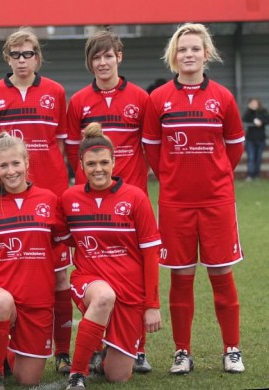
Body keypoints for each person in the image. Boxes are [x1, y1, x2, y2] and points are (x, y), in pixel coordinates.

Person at [143, 23, 246, 375]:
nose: (189, 54)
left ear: (206, 54)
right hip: (175, 203)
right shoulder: (158, 99)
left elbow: (233, 147)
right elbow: (153, 151)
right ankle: (181, 352)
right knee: (180, 276)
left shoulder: (223, 97)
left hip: (216, 201)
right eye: (183, 49)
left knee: (221, 273)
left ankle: (232, 349)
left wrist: (213, 175)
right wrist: (175, 179)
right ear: (174, 55)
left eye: (195, 49)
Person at [0, 27, 73, 376]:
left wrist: (54, 192)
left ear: (38, 57)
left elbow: (61, 146)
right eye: (16, 54)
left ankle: (63, 352)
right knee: (14, 277)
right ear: (7, 57)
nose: (22, 60)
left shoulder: (56, 92)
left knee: (60, 279)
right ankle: (4, 349)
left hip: (49, 199)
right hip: (11, 202)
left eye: (28, 53)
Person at [65, 30, 152, 372]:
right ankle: (100, 343)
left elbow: (151, 146)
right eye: (96, 58)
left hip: (132, 200)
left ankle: (137, 347)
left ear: (119, 56)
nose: (102, 62)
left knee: (134, 270)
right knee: (97, 268)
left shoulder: (140, 98)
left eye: (108, 56)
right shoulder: (79, 101)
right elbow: (75, 154)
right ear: (90, 63)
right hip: (94, 203)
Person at [0, 132, 70, 389]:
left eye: (15, 164)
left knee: (27, 379)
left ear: (27, 163)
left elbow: (68, 239)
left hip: (37, 301)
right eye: (4, 165)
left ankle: (4, 347)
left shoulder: (49, 201)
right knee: (1, 303)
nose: (11, 171)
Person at [61, 123, 162, 390]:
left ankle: (104, 353)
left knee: (118, 376)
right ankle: (77, 374)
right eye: (91, 163)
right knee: (104, 296)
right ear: (81, 165)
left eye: (104, 162)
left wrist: (151, 305)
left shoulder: (136, 198)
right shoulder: (69, 199)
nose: (98, 169)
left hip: (130, 290)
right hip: (90, 281)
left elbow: (151, 254)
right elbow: (60, 236)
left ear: (114, 162)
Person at [242, 98, 268, 180]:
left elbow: (267, 120)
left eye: (255, 103)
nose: (254, 105)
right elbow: (244, 119)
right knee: (251, 157)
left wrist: (261, 121)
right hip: (250, 139)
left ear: (258, 104)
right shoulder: (248, 112)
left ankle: (257, 175)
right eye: (252, 103)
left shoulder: (263, 111)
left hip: (260, 138)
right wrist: (251, 111)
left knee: (258, 157)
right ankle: (250, 175)